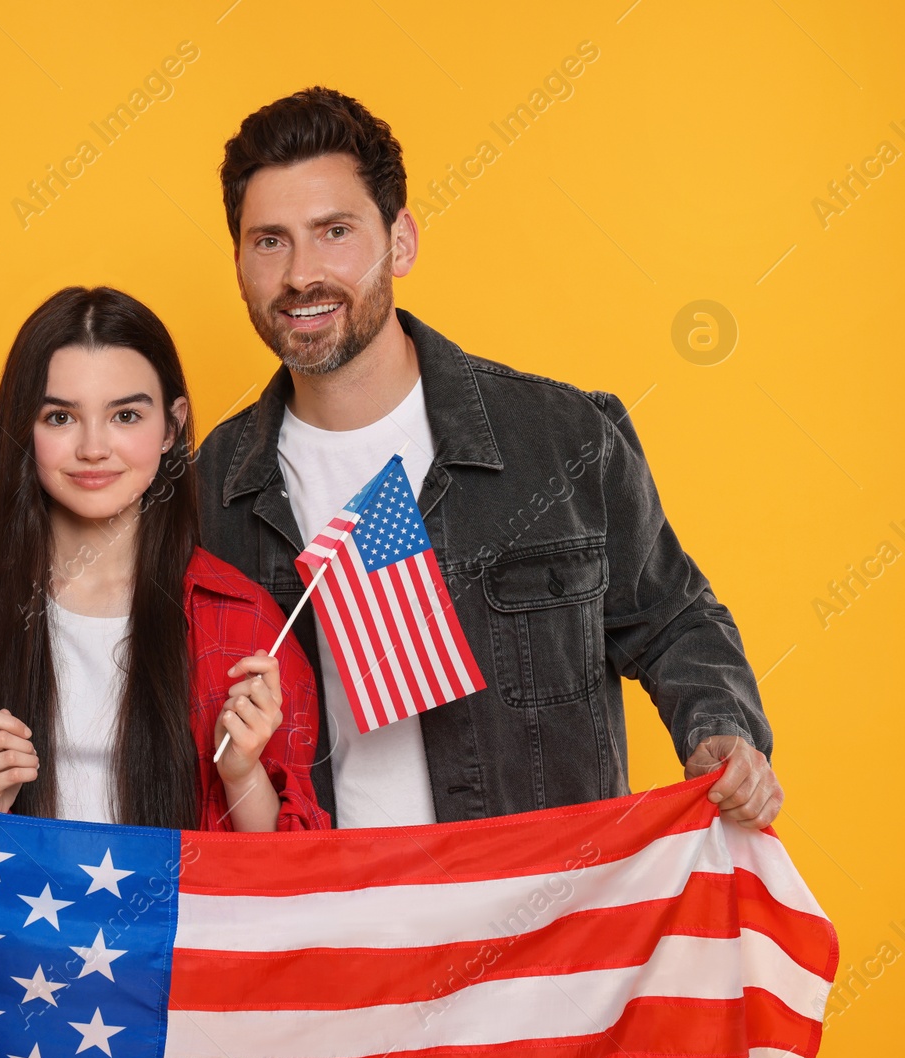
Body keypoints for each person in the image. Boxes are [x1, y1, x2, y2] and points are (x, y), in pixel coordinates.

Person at [197, 87, 783, 831]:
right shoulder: (210, 488)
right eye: (269, 240)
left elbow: (674, 619)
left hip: (543, 917)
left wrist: (721, 732)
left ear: (399, 241)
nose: (300, 274)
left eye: (335, 231)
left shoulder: (562, 439)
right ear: (241, 261)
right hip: (339, 926)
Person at [0, 286, 328, 832]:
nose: (94, 448)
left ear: (172, 427)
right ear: (21, 427)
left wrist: (242, 774)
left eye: (125, 415)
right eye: (60, 418)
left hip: (182, 917)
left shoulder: (244, 621)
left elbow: (284, 880)